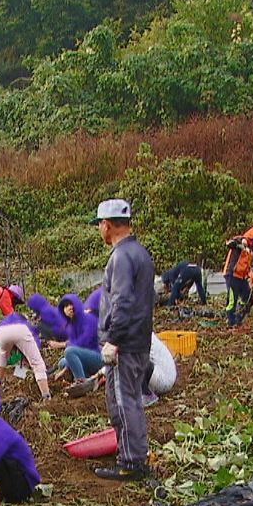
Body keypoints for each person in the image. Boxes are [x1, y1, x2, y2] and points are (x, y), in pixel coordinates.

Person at [91, 199, 155, 481]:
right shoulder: (140, 253)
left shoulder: (121, 257)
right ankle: (130, 453)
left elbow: (123, 302)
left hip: (125, 344)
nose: (100, 231)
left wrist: (113, 340)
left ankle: (132, 462)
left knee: (123, 400)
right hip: (139, 340)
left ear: (106, 225)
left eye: (99, 226)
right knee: (127, 398)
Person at [29, 293, 100, 384]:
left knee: (69, 352)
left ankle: (81, 382)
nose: (70, 307)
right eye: (66, 306)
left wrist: (60, 345)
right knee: (62, 362)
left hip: (98, 357)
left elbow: (84, 343)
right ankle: (87, 376)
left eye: (72, 304)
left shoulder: (87, 319)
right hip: (86, 358)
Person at [0, 308, 51, 400]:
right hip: (20, 330)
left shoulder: (6, 321)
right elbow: (35, 349)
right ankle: (46, 396)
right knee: (37, 363)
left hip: (1, 331)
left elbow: (21, 353)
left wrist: (24, 363)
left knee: (1, 357)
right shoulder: (27, 325)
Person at [222, 226, 253, 326]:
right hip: (232, 274)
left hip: (242, 277)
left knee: (247, 296)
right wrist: (241, 244)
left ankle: (239, 318)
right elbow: (229, 243)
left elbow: (249, 264)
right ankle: (231, 322)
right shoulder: (240, 241)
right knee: (232, 299)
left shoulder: (251, 250)